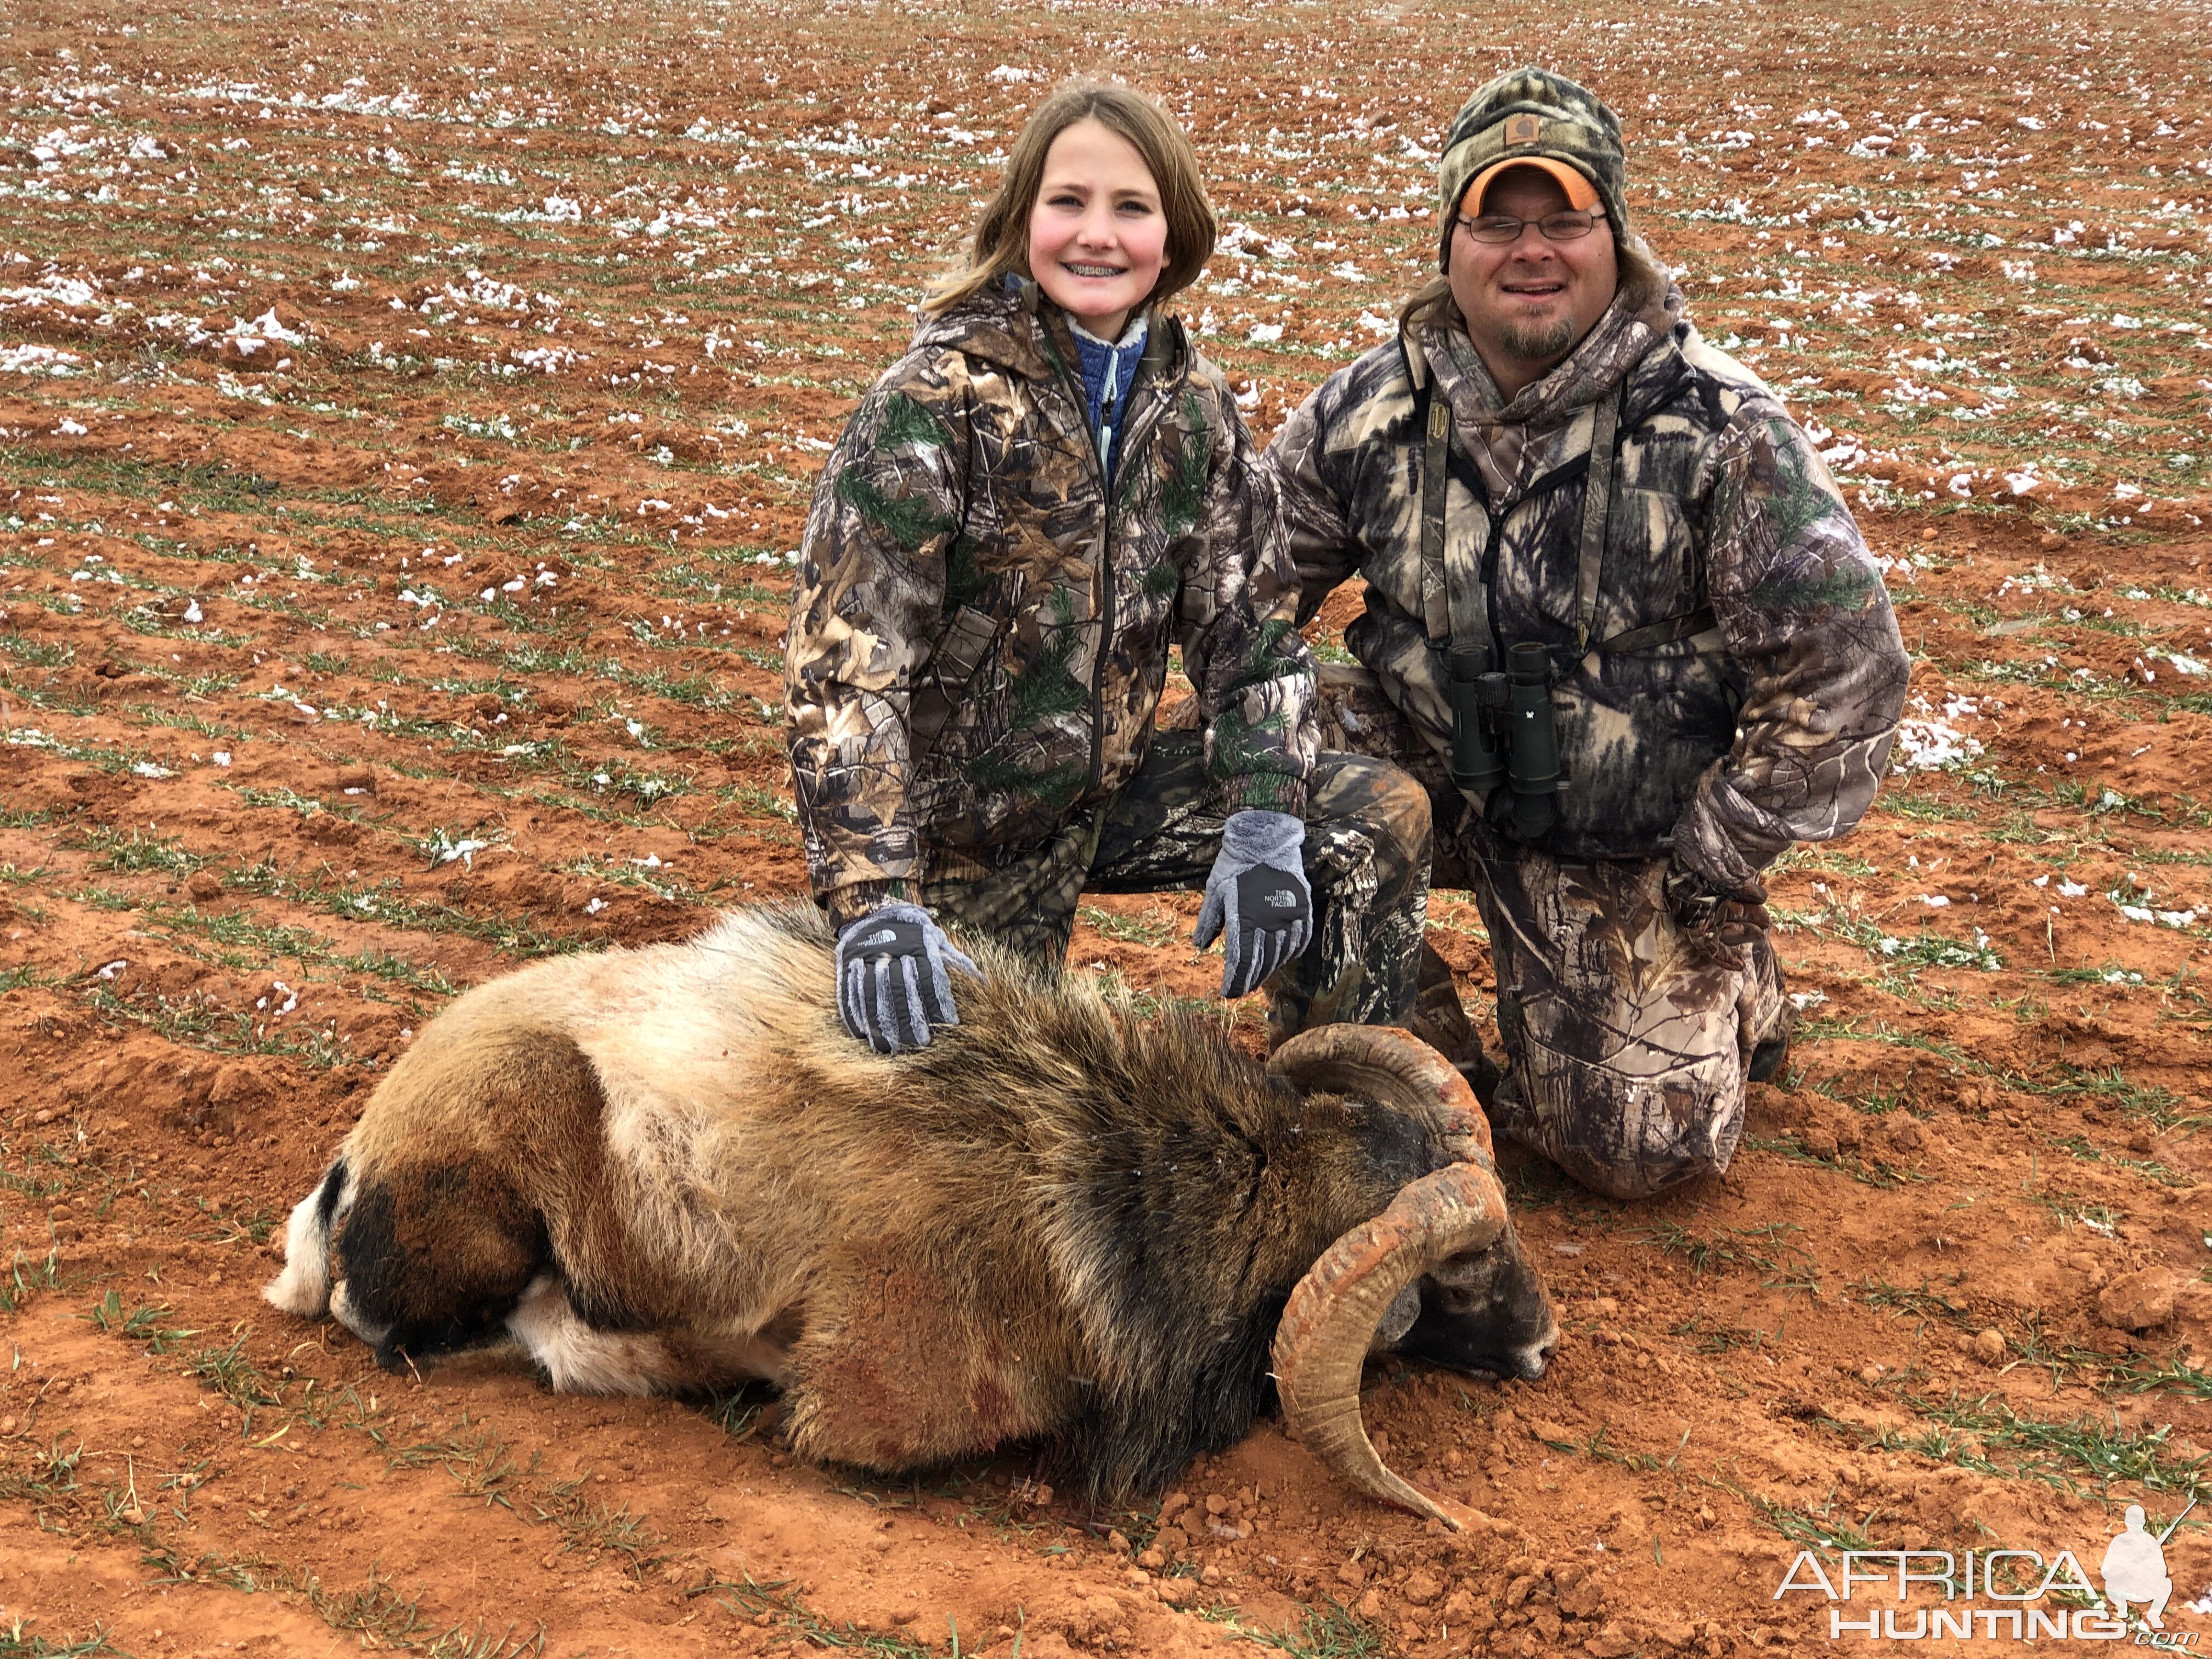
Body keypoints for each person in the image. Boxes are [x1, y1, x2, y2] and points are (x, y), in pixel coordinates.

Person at [1263, 67, 1909, 1198]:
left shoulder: (1718, 424)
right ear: (1450, 239)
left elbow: (1844, 665)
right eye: (1497, 221)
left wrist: (1719, 850)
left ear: (1614, 234)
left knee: (1634, 1154)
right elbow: (1242, 589)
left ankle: (1728, 973)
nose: (1532, 250)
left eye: (1564, 218)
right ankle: (1406, 1033)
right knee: (1291, 750)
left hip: (1627, 834)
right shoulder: (1366, 411)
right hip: (1438, 772)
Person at [786, 77, 1434, 1054]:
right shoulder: (932, 402)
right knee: (959, 1105)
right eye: (1068, 202)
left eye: (1131, 207)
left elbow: (1248, 634)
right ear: (1020, 221)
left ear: (1173, 239)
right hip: (963, 831)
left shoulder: (1192, 407)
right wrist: (874, 894)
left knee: (1368, 822)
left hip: (1106, 793)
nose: (1098, 233)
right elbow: (847, 667)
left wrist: (1264, 819)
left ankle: (1330, 1118)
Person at [2102, 1505, 2175, 1629]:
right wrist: (2124, 1570)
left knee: (2166, 1583)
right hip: (2123, 1589)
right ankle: (2122, 1606)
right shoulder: (2120, 1541)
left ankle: (2154, 1615)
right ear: (2144, 1522)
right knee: (2166, 1583)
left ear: (2126, 1522)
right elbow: (2106, 1571)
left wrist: (2144, 1570)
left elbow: (2162, 1571)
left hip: (2141, 1589)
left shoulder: (2150, 1543)